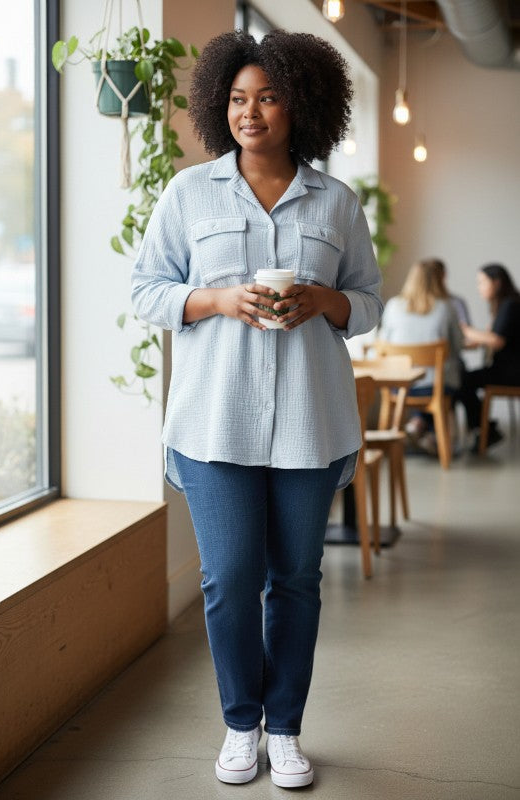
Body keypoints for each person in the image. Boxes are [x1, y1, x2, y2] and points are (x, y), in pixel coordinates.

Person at [131, 29, 382, 789]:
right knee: (230, 577)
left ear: (298, 104)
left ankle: (287, 730)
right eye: (238, 99)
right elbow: (147, 290)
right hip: (214, 422)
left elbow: (369, 302)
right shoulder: (186, 193)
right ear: (219, 106)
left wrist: (324, 300)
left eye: (267, 97)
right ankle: (242, 726)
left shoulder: (336, 202)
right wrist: (214, 299)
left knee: (296, 579)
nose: (251, 113)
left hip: (310, 422)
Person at [379, 258, 463, 453]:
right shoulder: (446, 307)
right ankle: (430, 433)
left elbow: (382, 344)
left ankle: (417, 425)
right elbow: (457, 347)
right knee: (452, 376)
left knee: (421, 379)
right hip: (434, 387)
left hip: (398, 386)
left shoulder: (393, 306)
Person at [455, 264, 520, 451]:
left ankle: (484, 430)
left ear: (497, 282)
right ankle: (484, 429)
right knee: (464, 378)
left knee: (462, 380)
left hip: (511, 373)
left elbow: (497, 340)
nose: (479, 287)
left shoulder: (510, 305)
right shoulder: (506, 304)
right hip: (507, 369)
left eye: (482, 282)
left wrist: (464, 329)